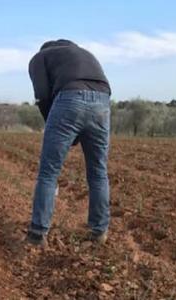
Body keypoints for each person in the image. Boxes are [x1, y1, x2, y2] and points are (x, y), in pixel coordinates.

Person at [26, 39, 112, 246]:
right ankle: (99, 232)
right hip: (103, 101)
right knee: (98, 171)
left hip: (70, 97)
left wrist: (54, 124)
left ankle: (37, 234)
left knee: (49, 171)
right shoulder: (85, 53)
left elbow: (43, 96)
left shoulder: (40, 57)